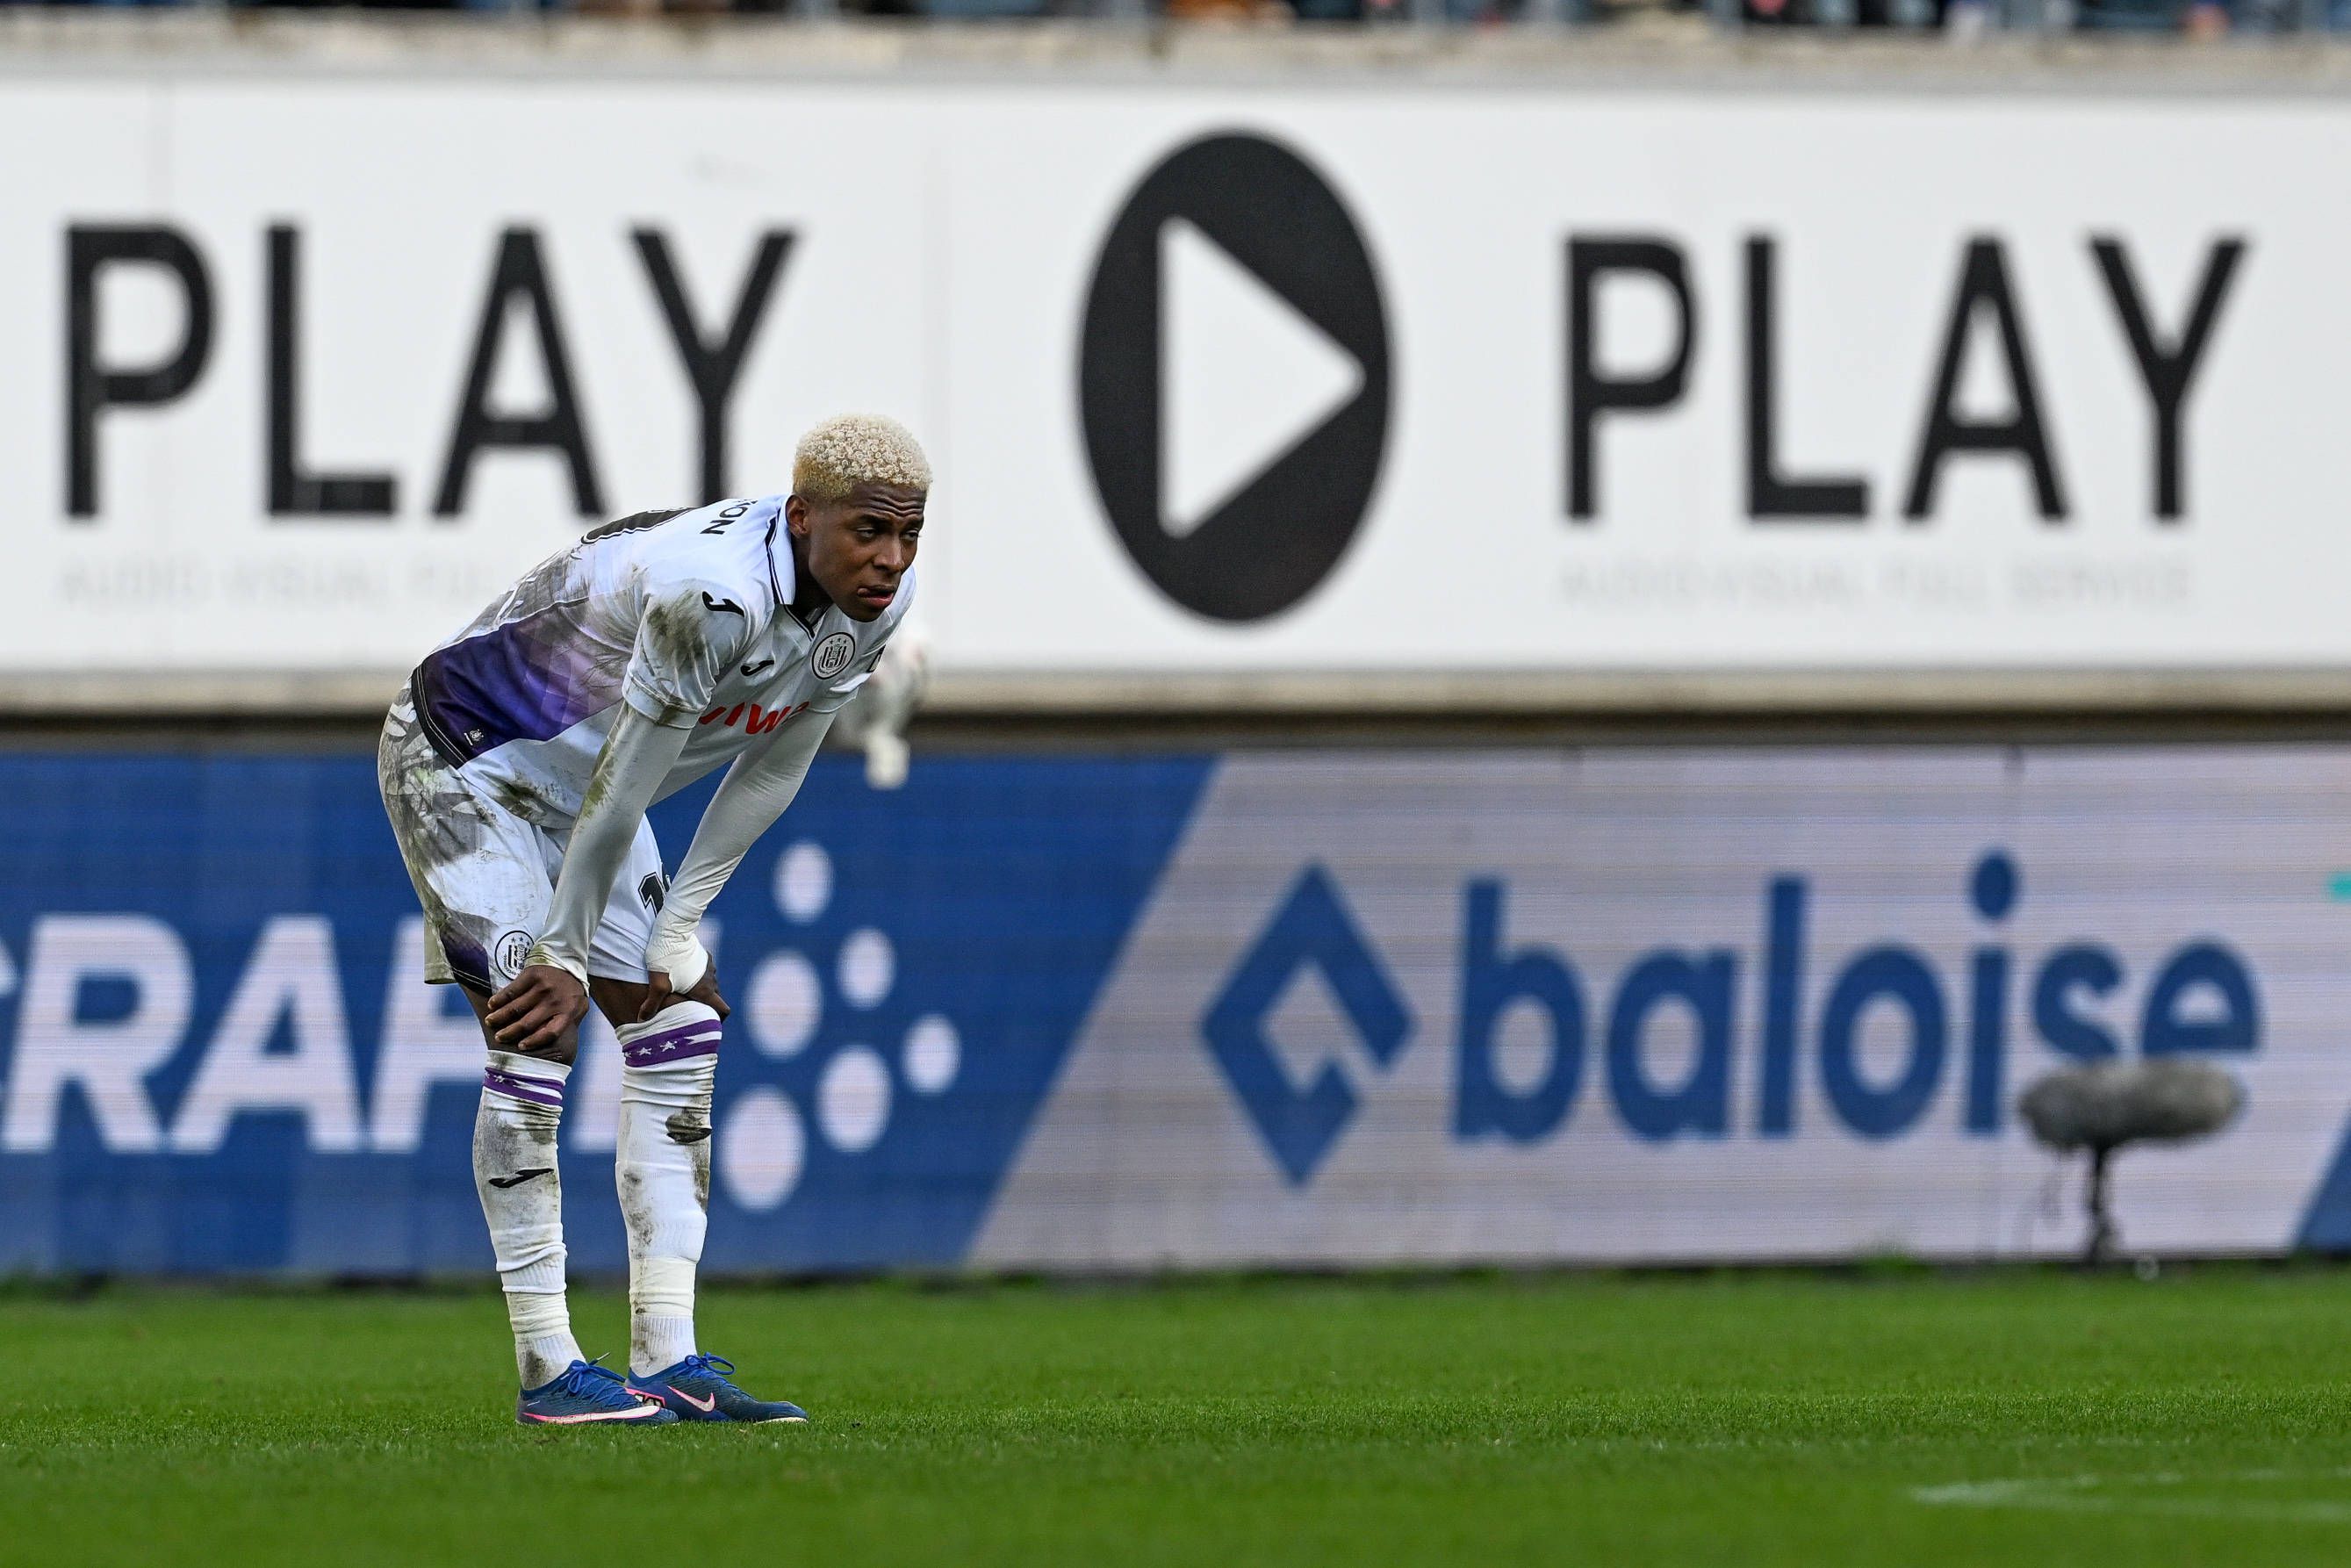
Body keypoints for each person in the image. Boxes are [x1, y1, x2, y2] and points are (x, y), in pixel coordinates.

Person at [377, 414, 928, 1426]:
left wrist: (678, 927)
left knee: (682, 1021)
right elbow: (629, 784)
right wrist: (562, 954)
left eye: (907, 535)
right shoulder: (709, 595)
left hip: (584, 785)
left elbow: (773, 769)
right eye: (867, 533)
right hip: (467, 761)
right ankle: (549, 1368)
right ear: (802, 517)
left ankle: (666, 1355)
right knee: (538, 1025)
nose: (889, 560)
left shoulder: (872, 610)